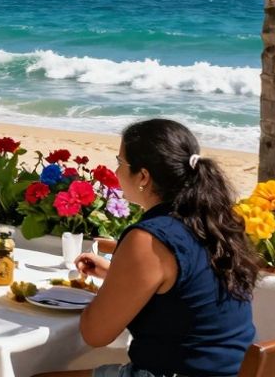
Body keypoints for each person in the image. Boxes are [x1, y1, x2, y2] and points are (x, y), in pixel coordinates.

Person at [34, 119, 258, 377]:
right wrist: (116, 274)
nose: (116, 171)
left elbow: (95, 334)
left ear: (143, 176)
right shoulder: (212, 222)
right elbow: (190, 287)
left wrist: (113, 285)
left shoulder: (150, 239)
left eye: (120, 162)